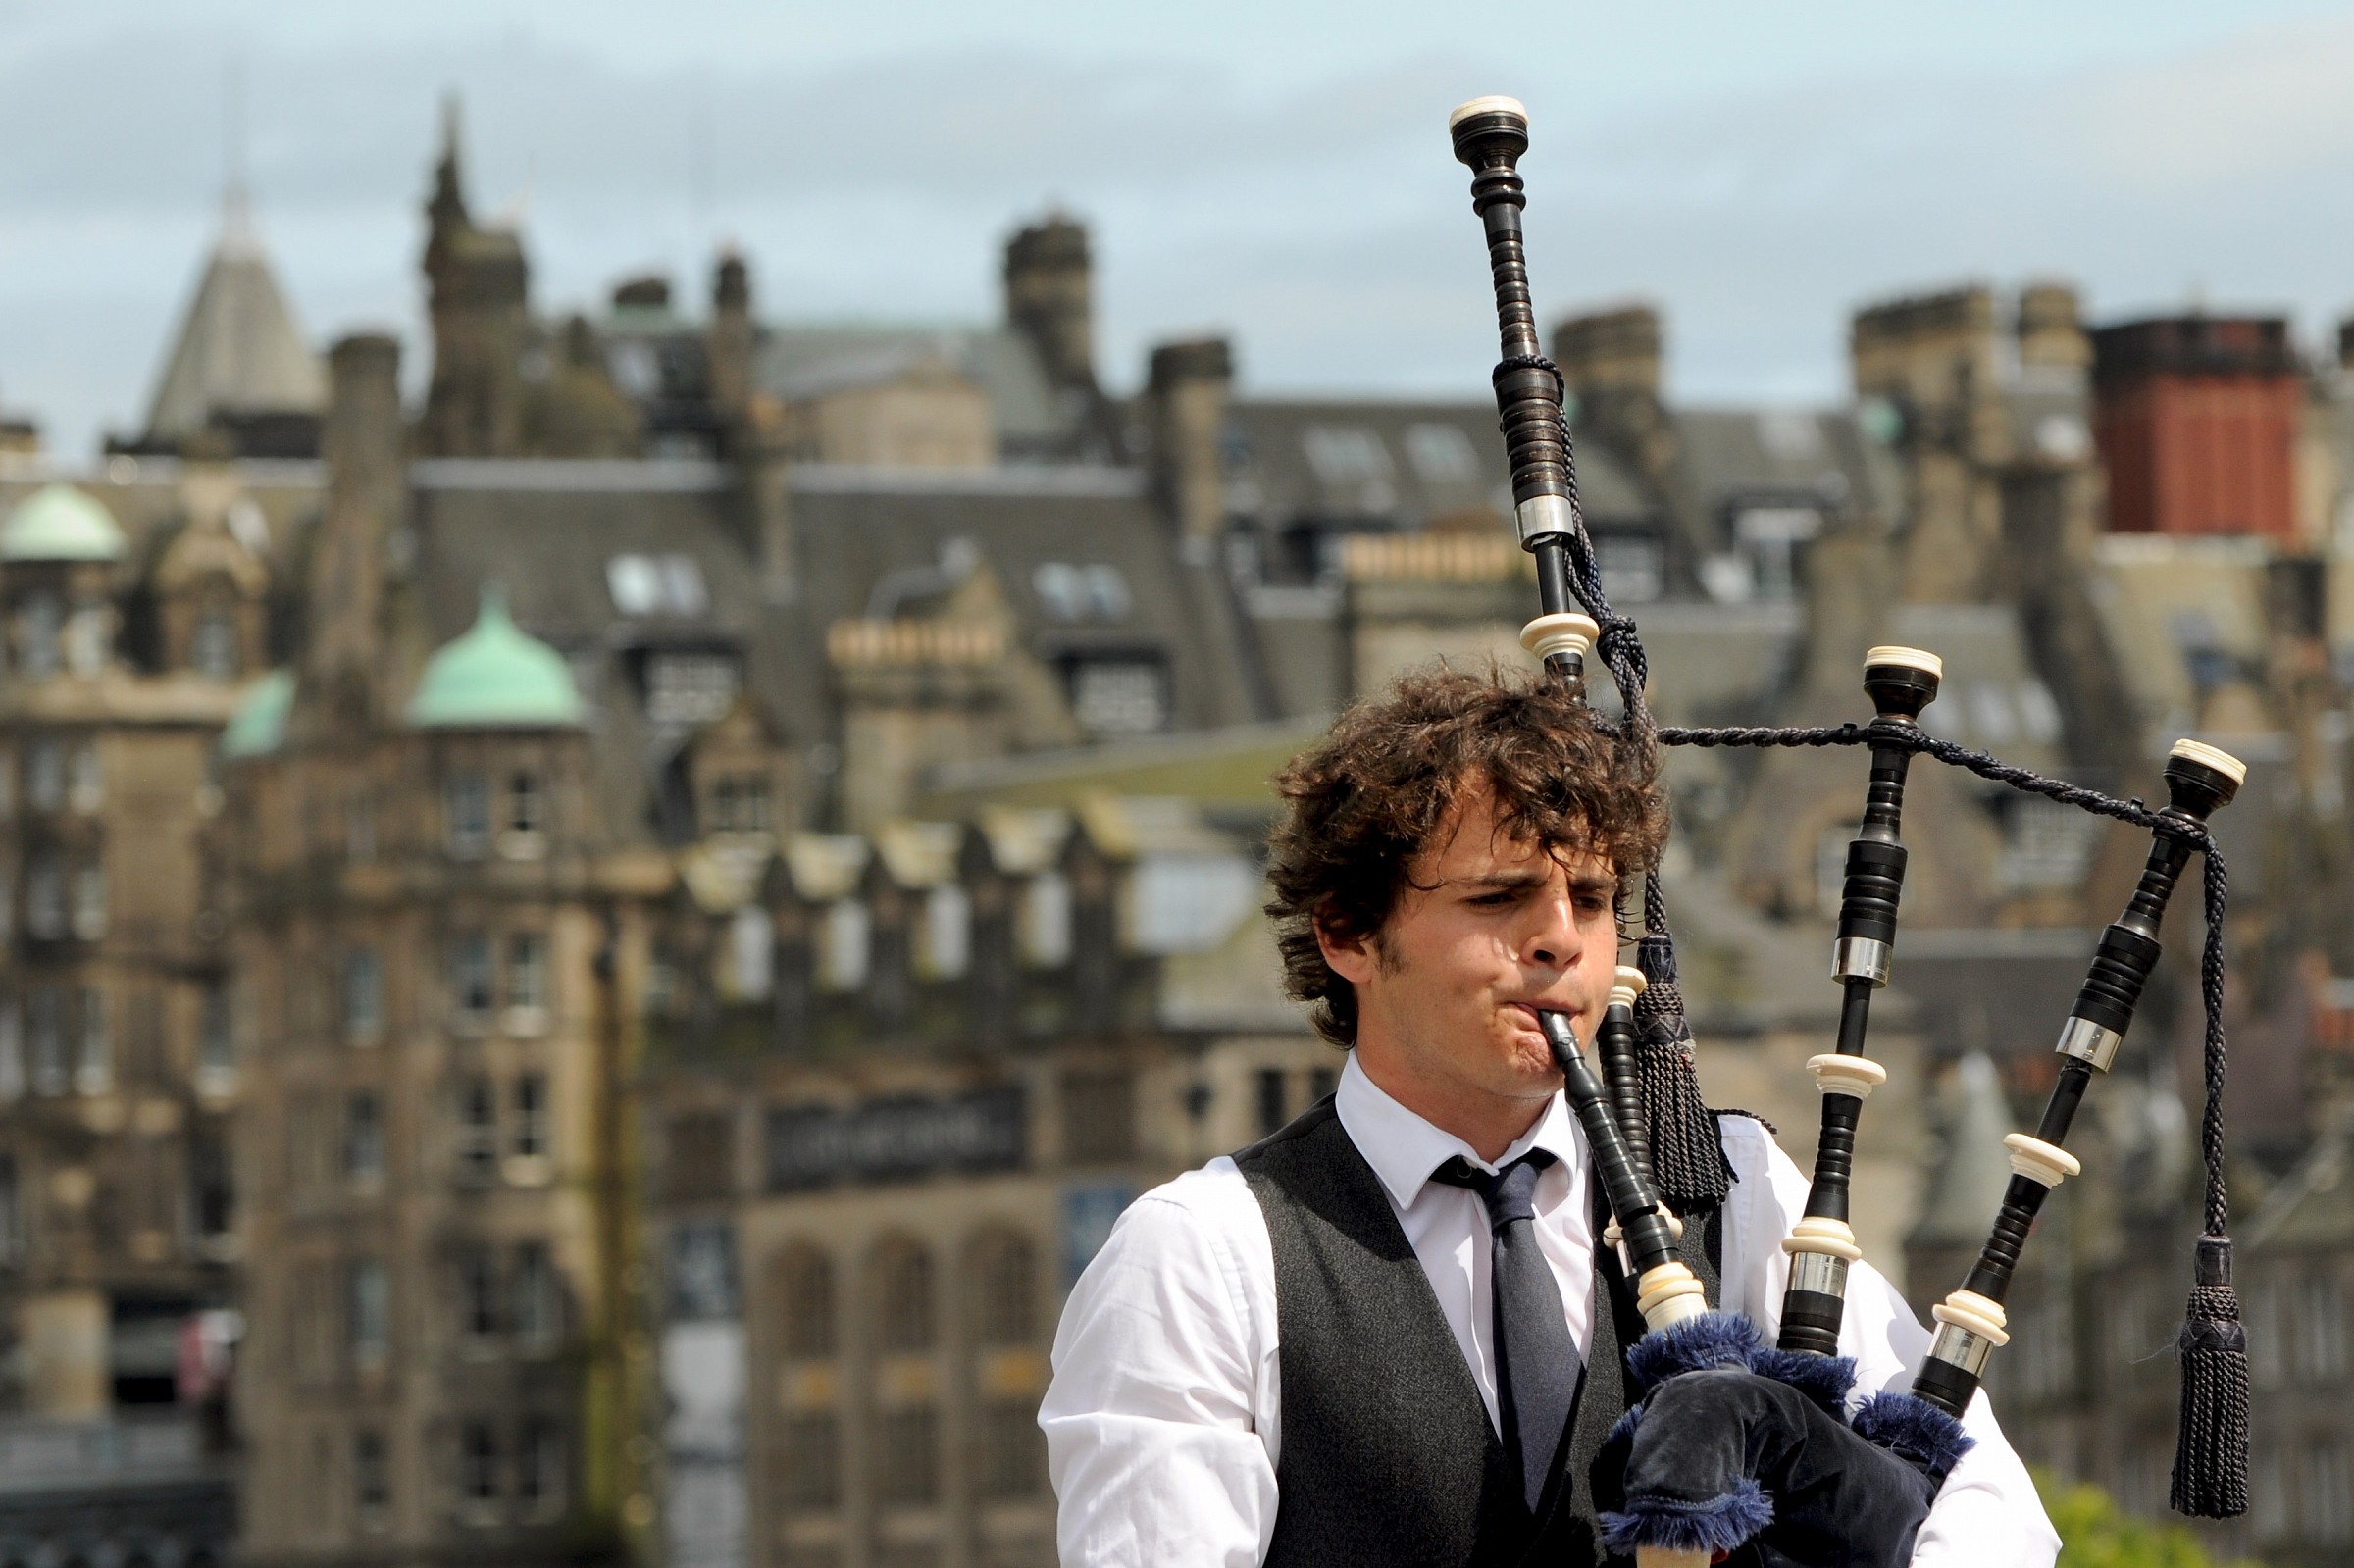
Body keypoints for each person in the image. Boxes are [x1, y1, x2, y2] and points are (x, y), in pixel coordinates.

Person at [1041, 667, 2060, 1567]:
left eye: (1592, 896)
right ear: (1349, 931)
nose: (1561, 941)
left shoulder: (1725, 1183)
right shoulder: (1201, 1257)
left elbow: (1983, 1504)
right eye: (1499, 899)